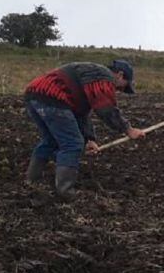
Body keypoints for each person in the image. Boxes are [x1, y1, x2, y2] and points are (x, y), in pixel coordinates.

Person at [24, 60, 146, 197]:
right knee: (73, 144)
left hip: (35, 93)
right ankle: (65, 192)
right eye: (123, 87)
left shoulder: (91, 77)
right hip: (53, 97)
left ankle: (31, 181)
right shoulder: (103, 77)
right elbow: (106, 109)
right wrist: (128, 130)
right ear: (120, 75)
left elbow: (82, 112)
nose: (119, 91)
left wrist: (89, 139)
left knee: (51, 141)